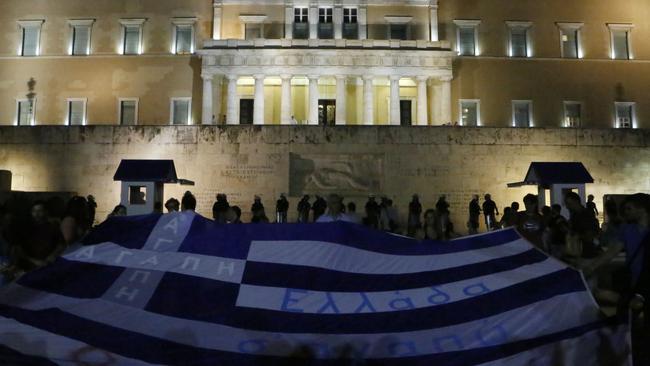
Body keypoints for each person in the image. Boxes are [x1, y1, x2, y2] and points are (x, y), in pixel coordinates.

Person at [565, 191, 600, 258]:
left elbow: (590, 236)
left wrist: (575, 235)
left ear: (576, 201)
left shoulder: (586, 215)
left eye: (569, 204)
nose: (567, 206)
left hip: (587, 254)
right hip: (579, 253)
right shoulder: (575, 215)